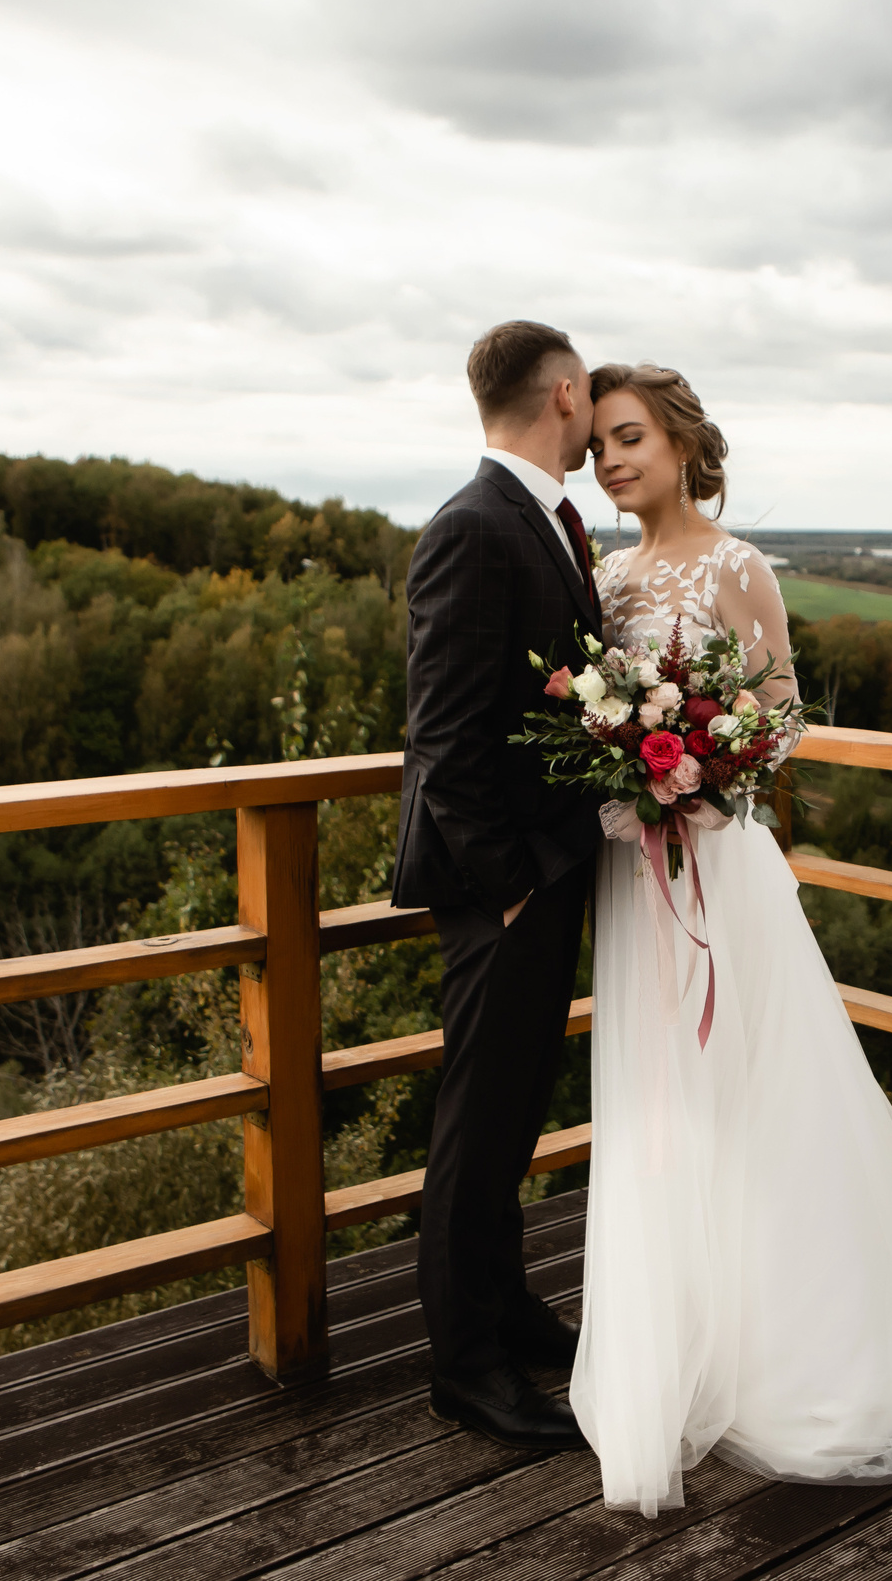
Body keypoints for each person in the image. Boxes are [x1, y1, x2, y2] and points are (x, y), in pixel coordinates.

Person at [569, 362, 892, 1515]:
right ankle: (678, 1342)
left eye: (630, 437)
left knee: (757, 1093)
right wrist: (627, 769)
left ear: (682, 442)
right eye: (598, 449)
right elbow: (588, 705)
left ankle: (805, 1358)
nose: (612, 461)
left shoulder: (738, 566)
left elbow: (780, 711)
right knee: (659, 1105)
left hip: (719, 869)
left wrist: (703, 775)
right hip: (633, 878)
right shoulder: (603, 572)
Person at [392, 320, 602, 1451]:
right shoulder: (475, 527)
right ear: (563, 394)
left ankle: (509, 1308)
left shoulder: (543, 522)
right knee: (476, 1130)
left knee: (517, 1110)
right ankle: (464, 1366)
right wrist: (510, 885)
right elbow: (446, 738)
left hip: (542, 868)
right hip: (500, 886)